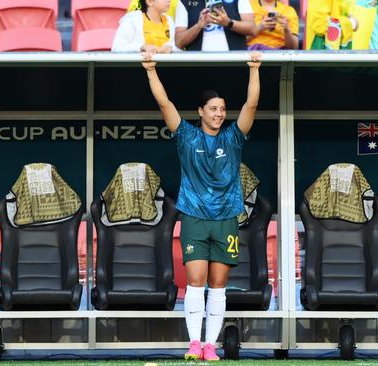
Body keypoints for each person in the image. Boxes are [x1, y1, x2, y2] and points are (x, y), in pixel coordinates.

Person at [141, 51, 262, 361]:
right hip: (194, 218)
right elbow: (164, 104)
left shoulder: (234, 138)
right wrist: (151, 70)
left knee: (218, 284)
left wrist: (254, 68)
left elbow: (251, 105)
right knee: (195, 281)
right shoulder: (186, 136)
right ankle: (194, 343)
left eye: (222, 109)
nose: (219, 114)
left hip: (225, 220)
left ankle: (211, 345)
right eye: (213, 109)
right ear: (201, 112)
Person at [174, 0, 256, 50]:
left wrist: (228, 23)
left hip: (234, 62)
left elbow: (252, 28)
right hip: (198, 65)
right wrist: (198, 26)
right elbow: (179, 42)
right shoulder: (185, 2)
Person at [112, 0, 180, 52]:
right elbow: (117, 48)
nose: (169, 0)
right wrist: (141, 47)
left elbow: (173, 47)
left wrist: (171, 48)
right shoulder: (132, 19)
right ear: (149, 1)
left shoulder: (169, 21)